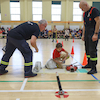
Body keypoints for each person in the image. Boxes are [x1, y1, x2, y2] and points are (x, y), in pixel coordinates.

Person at [79, 0, 100, 74]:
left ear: (86, 5)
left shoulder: (94, 10)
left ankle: (94, 68)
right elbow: (84, 25)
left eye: (82, 8)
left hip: (93, 32)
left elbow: (98, 21)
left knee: (92, 50)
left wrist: (96, 34)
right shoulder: (84, 14)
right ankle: (89, 64)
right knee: (87, 49)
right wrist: (83, 35)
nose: (82, 10)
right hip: (87, 33)